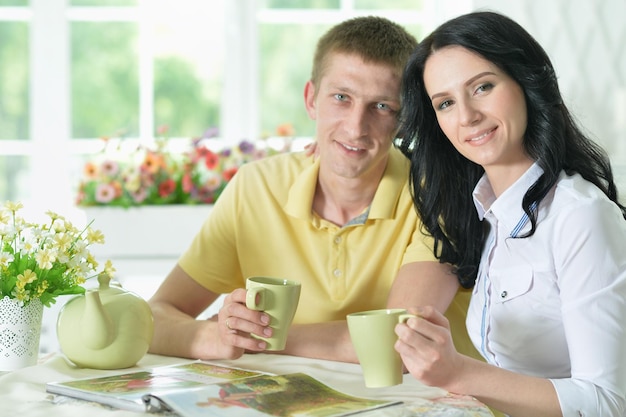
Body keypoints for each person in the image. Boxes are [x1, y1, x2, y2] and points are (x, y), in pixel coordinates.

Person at [148, 16, 480, 363]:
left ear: (405, 118)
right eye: (341, 97)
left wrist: (261, 336)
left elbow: (399, 343)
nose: (355, 128)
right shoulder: (255, 187)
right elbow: (156, 316)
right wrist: (214, 337)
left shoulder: (440, 194)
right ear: (311, 99)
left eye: (382, 107)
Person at [395, 10, 626, 417]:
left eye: (482, 87)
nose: (466, 116)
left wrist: (457, 373)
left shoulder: (579, 215)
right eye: (445, 103)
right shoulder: (484, 215)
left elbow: (607, 403)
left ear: (526, 82)